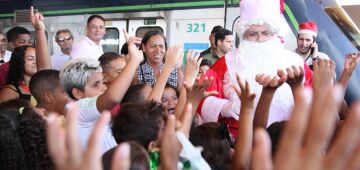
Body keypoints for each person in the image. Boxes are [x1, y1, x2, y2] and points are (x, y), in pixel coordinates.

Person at [198, 0, 304, 138]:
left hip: (286, 141)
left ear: (276, 32)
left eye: (266, 33)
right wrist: (225, 108)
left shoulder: (295, 62)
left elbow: (312, 105)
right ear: (243, 33)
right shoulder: (227, 62)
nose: (260, 39)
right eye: (253, 34)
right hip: (239, 143)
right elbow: (199, 98)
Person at [59, 30, 143, 153]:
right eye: (95, 84)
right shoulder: (77, 109)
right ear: (77, 93)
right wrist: (133, 60)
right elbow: (112, 97)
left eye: (102, 82)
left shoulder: (99, 109)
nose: (104, 87)